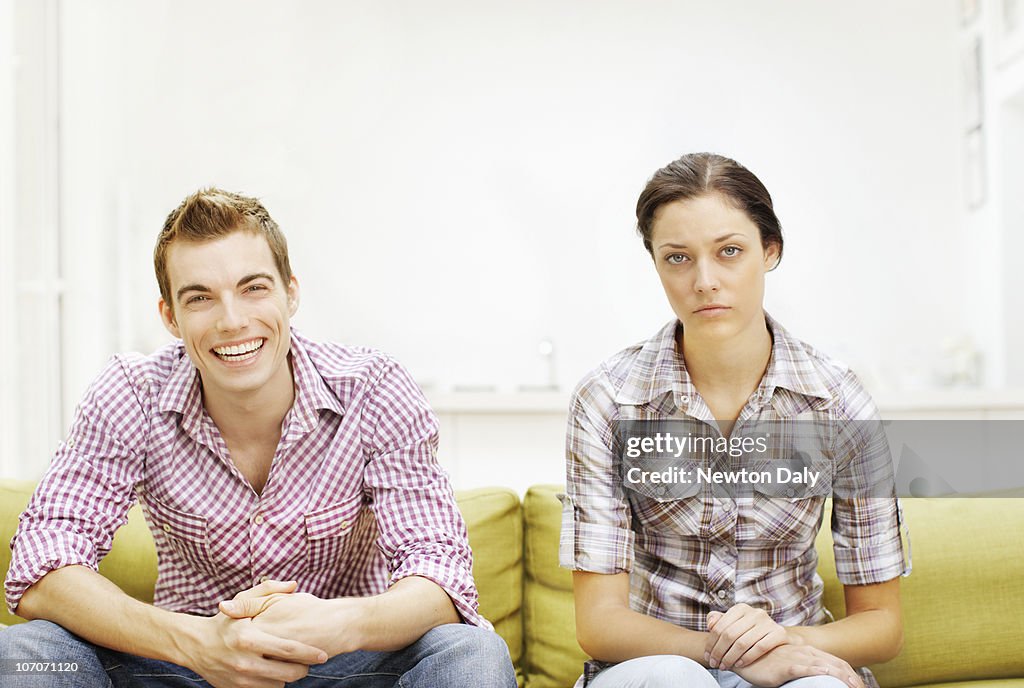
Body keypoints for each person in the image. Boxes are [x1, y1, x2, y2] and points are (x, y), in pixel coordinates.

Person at [1, 188, 516, 687]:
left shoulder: (373, 388)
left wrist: (338, 624)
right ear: (170, 318)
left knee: (471, 652)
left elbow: (442, 578)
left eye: (254, 288)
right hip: (184, 666)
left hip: (346, 665)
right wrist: (196, 642)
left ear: (290, 292)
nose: (232, 320)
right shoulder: (132, 393)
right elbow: (41, 564)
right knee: (28, 655)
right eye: (200, 298)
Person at [560, 153, 910, 688]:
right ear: (655, 263)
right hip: (658, 667)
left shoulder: (838, 401)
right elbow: (599, 623)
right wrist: (726, 653)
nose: (705, 281)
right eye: (677, 258)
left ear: (769, 252)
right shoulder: (609, 399)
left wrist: (785, 643)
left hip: (795, 659)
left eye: (729, 252)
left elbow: (882, 625)